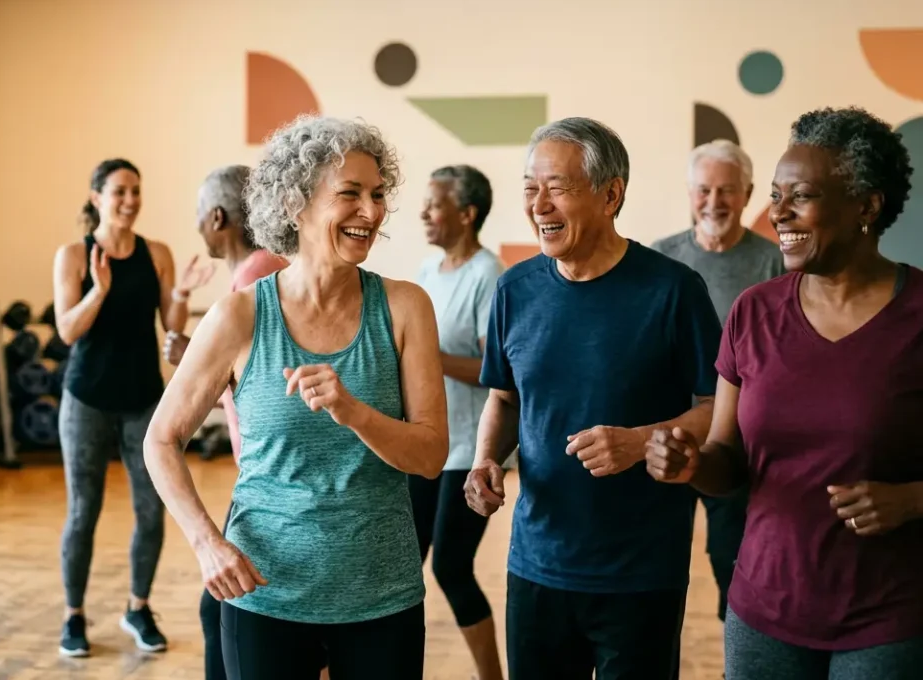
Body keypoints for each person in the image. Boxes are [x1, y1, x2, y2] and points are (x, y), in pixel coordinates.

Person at [143, 115, 448, 679]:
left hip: (383, 597)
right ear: (293, 203)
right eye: (350, 194)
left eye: (378, 194)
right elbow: (161, 439)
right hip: (266, 595)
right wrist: (207, 543)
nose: (372, 211)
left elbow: (430, 456)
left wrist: (353, 411)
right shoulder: (239, 315)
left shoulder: (406, 308)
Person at [647, 106, 923, 680]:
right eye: (775, 195)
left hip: (888, 617)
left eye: (801, 196)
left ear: (867, 207)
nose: (778, 213)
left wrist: (911, 500)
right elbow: (729, 461)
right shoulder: (754, 311)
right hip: (762, 610)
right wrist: (690, 464)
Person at [463, 117, 722, 680]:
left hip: (641, 570)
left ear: (611, 195)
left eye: (556, 187)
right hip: (536, 564)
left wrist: (641, 441)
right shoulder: (515, 289)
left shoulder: (674, 291)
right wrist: (486, 459)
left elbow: (719, 409)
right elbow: (505, 400)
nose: (539, 205)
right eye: (531, 188)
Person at [51, 158, 212, 658]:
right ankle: (73, 616)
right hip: (87, 401)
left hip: (144, 400)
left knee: (152, 510)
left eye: (136, 191)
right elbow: (67, 329)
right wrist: (100, 289)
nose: (130, 200)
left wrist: (181, 294)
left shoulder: (156, 253)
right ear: (96, 197)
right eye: (119, 191)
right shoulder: (74, 257)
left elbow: (171, 322)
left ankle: (138, 607)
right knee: (84, 511)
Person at [160, 164, 289, 680]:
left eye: (197, 215)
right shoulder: (255, 270)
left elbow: (278, 390)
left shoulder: (256, 274)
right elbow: (250, 394)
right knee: (219, 608)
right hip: (260, 473)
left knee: (223, 610)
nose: (197, 225)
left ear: (217, 217)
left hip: (270, 480)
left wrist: (199, 359)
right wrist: (202, 375)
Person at [650, 139, 784, 622]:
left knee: (733, 564)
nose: (714, 201)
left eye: (726, 190)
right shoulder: (658, 260)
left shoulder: (776, 264)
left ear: (747, 193)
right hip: (668, 434)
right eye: (704, 190)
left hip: (736, 444)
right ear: (689, 193)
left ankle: (740, 655)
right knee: (659, 567)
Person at [413, 164, 505, 680]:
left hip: (469, 449)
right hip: (423, 446)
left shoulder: (488, 275)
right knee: (400, 570)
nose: (424, 212)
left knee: (450, 567)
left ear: (467, 214)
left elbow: (495, 371)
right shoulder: (427, 273)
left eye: (435, 203)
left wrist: (431, 356)